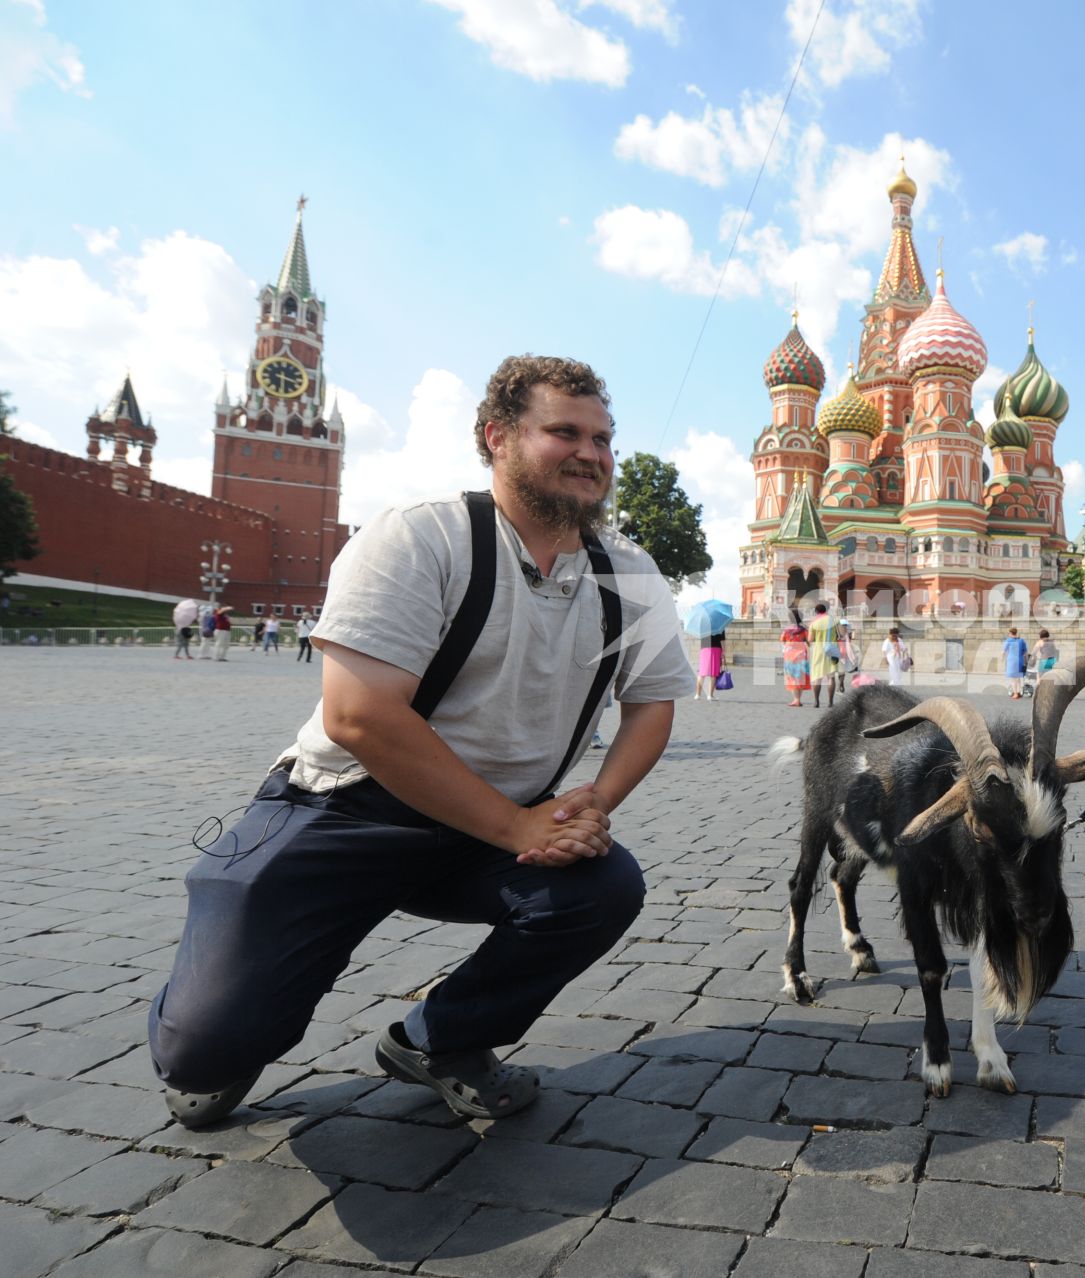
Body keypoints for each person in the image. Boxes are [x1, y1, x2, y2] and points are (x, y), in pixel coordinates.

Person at [146, 354, 693, 1131]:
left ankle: (441, 1040)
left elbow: (651, 705)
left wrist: (590, 805)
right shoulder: (422, 538)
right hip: (348, 809)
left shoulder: (629, 574)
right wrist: (518, 828)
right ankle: (236, 962)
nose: (591, 453)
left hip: (500, 824)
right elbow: (360, 717)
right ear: (497, 436)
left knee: (603, 887)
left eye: (603, 438)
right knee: (204, 1049)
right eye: (564, 432)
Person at [807, 602, 837, 709]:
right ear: (826, 610)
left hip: (818, 650)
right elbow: (840, 634)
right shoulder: (833, 620)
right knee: (831, 677)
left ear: (816, 612)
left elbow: (810, 640)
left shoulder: (814, 623)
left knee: (817, 677)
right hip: (831, 649)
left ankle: (816, 701)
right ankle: (830, 702)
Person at [781, 611, 810, 707]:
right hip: (801, 655)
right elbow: (809, 640)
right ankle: (798, 699)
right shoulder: (804, 630)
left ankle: (796, 700)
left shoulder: (787, 630)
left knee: (792, 677)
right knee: (800, 677)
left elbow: (782, 640)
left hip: (790, 656)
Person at [694, 625, 725, 700]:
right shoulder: (720, 625)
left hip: (704, 649)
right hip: (715, 649)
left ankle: (697, 695)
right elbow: (722, 640)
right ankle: (710, 695)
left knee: (702, 673)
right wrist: (723, 652)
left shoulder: (703, 625)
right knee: (713, 673)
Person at [1002, 626, 1029, 699]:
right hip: (1020, 660)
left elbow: (1004, 651)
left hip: (1012, 661)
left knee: (1013, 678)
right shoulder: (1022, 641)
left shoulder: (1008, 641)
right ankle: (1019, 692)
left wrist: (1003, 658)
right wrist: (1026, 661)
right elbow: (1026, 652)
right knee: (1018, 677)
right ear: (1016, 633)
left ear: (1010, 633)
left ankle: (1015, 694)